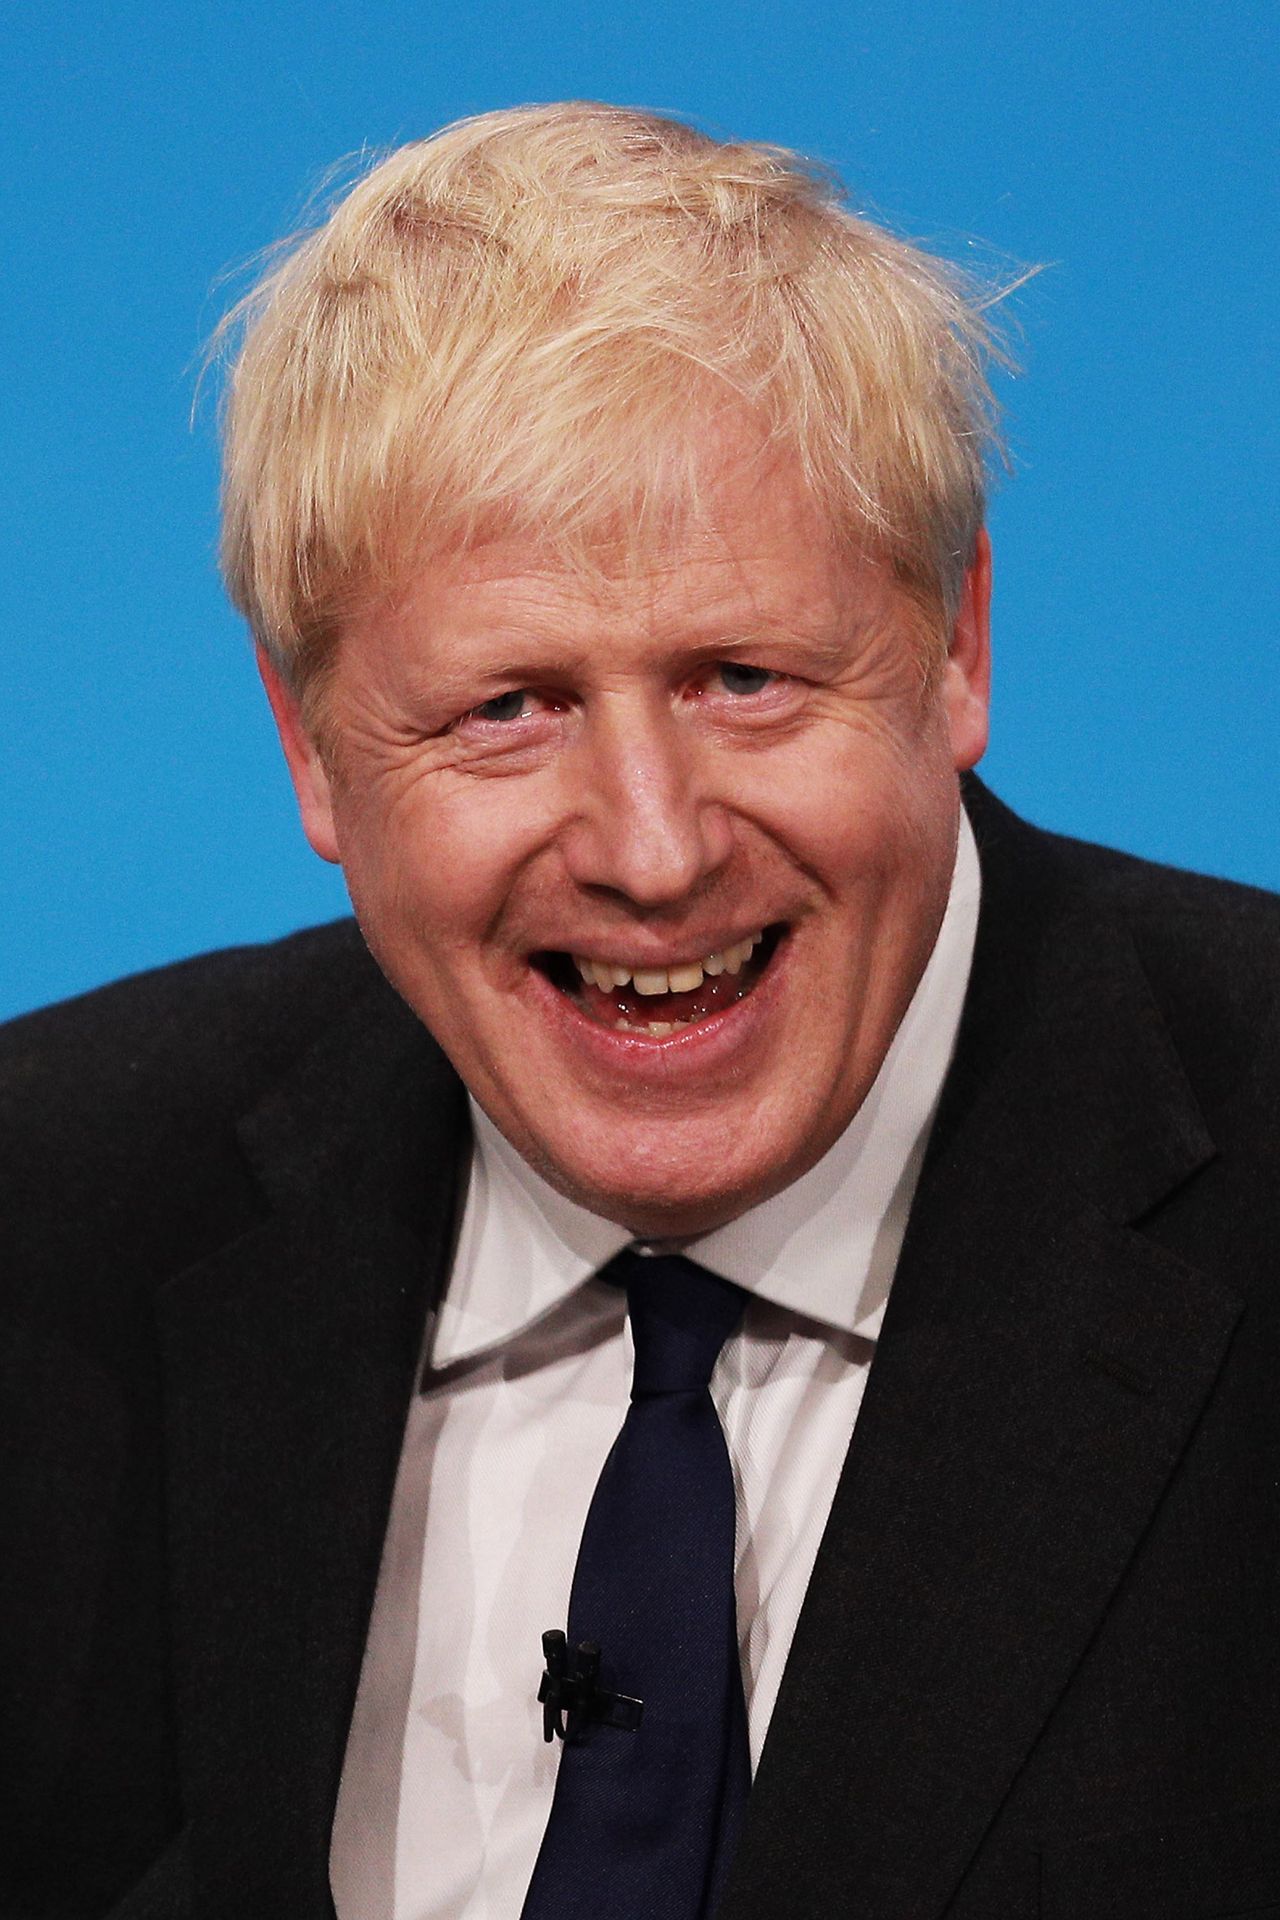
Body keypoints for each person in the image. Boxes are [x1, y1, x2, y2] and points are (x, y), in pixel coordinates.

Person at [2, 101, 1278, 1920]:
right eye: (510, 706)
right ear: (308, 749)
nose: (655, 854)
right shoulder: (46, 1215)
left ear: (957, 645)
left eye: (745, 677)